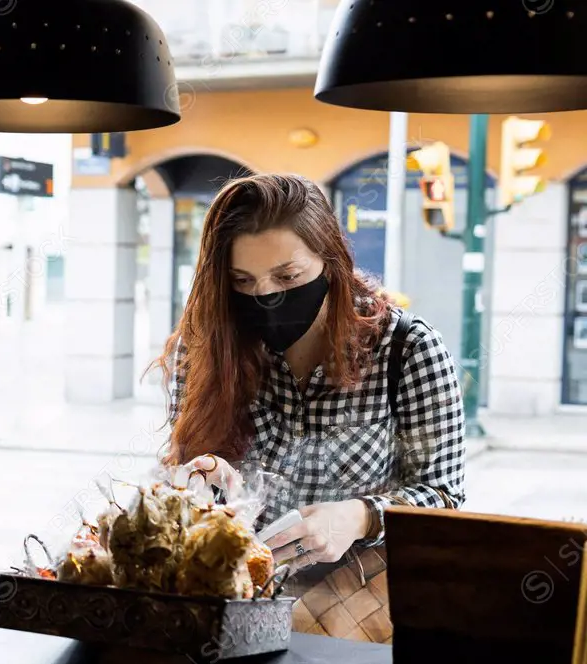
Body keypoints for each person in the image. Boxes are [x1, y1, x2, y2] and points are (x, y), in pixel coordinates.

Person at [156, 173, 466, 572]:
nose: (266, 296)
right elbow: (181, 488)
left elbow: (444, 497)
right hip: (231, 599)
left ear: (330, 260)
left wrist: (359, 517)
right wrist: (201, 479)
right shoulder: (205, 348)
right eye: (242, 281)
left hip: (352, 614)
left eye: (287, 277)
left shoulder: (407, 349)